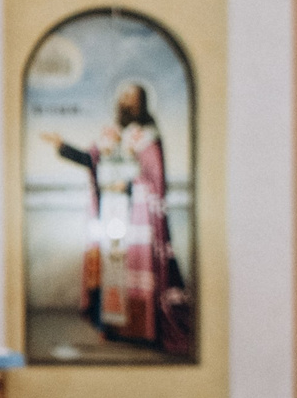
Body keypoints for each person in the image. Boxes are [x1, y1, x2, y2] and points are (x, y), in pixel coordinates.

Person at [45, 81, 192, 355]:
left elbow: (155, 179)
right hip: (112, 215)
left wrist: (126, 185)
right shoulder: (111, 136)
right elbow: (91, 160)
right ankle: (114, 327)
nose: (126, 102)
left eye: (131, 98)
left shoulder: (148, 138)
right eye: (123, 98)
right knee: (112, 272)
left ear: (142, 103)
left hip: (137, 217)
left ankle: (141, 331)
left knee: (135, 273)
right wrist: (62, 146)